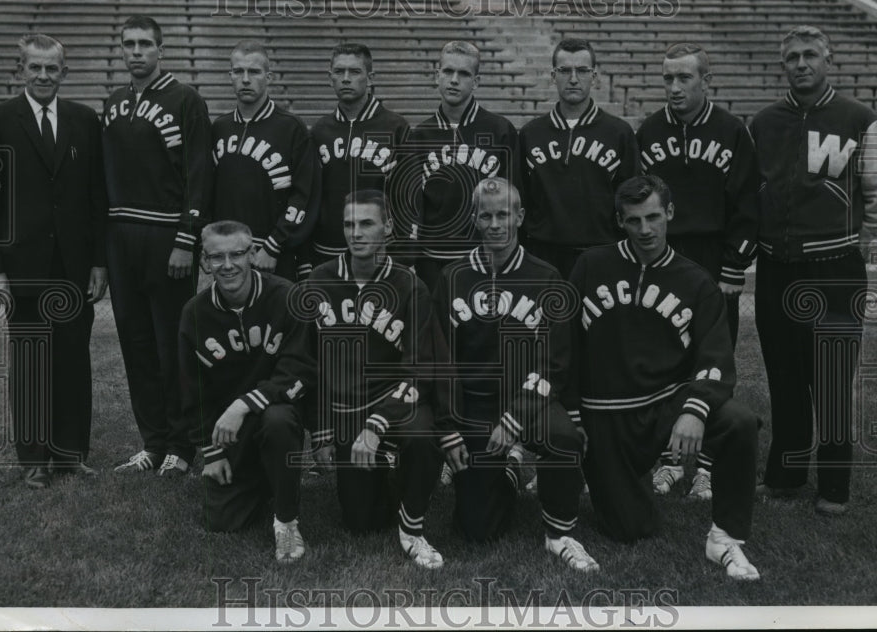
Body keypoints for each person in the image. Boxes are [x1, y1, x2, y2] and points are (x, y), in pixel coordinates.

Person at [570, 175, 760, 581]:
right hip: (606, 416)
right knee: (630, 530)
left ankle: (725, 538)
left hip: (665, 410)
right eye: (634, 220)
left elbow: (717, 358)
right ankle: (622, 485)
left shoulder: (695, 281)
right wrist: (571, 414)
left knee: (739, 422)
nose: (645, 230)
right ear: (620, 220)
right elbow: (563, 346)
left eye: (654, 217)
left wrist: (694, 409)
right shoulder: (590, 266)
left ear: (669, 213)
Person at [749, 26, 877, 516]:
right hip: (777, 266)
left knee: (833, 379)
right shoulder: (763, 123)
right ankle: (786, 476)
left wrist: (858, 240)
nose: (801, 64)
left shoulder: (858, 118)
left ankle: (835, 487)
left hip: (835, 267)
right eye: (792, 56)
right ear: (783, 65)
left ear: (828, 59)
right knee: (785, 377)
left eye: (810, 55)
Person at [432, 177, 598, 571]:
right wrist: (447, 425)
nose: (495, 224)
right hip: (475, 403)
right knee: (476, 531)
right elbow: (437, 359)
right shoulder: (451, 277)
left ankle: (560, 533)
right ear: (474, 219)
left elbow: (555, 361)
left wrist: (517, 415)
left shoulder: (545, 277)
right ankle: (506, 472)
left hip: (531, 399)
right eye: (486, 215)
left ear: (519, 216)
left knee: (563, 438)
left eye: (503, 214)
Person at [0, 33, 107, 488]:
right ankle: (33, 459)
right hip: (23, 266)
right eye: (36, 67)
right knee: (31, 361)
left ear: (64, 73)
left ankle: (70, 454)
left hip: (73, 266)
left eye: (53, 69)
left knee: (73, 360)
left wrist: (99, 263)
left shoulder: (85, 120)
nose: (45, 76)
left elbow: (96, 197)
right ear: (21, 70)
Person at [636, 43, 759, 501]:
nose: (674, 87)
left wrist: (734, 266)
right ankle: (669, 459)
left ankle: (708, 463)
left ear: (705, 80)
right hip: (665, 257)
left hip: (712, 257)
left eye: (684, 78)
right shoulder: (648, 131)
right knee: (665, 357)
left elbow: (748, 203)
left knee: (714, 359)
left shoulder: (731, 130)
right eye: (667, 78)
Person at [299, 192, 444, 567]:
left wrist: (379, 424)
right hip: (348, 409)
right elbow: (306, 363)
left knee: (422, 436)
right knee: (360, 522)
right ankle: (387, 472)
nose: (356, 233)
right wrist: (321, 430)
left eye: (366, 224)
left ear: (388, 228)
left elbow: (420, 368)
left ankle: (412, 527)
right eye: (349, 224)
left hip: (398, 402)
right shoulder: (319, 280)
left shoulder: (410, 286)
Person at [101, 15, 213, 476]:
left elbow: (199, 173)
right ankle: (152, 441)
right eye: (128, 43)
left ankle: (183, 445)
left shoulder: (185, 99)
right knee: (136, 342)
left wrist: (187, 239)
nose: (136, 51)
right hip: (122, 237)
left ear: (160, 49)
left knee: (173, 345)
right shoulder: (112, 103)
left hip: (168, 237)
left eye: (145, 43)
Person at [178, 221, 314, 562]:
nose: (227, 265)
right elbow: (191, 390)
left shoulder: (286, 296)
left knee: (279, 420)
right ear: (204, 262)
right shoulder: (194, 313)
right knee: (221, 521)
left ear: (252, 254)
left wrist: (242, 404)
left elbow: (300, 370)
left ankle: (286, 522)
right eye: (216, 257)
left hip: (275, 413)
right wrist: (211, 452)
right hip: (229, 433)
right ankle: (267, 479)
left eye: (237, 254)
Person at [396, 41, 521, 290]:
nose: (454, 80)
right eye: (448, 72)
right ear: (437, 76)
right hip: (432, 260)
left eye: (463, 74)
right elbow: (411, 203)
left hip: (485, 257)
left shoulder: (499, 130)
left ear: (476, 81)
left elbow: (514, 199)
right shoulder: (421, 134)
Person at [519, 38, 640, 279]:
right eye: (564, 71)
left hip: (601, 255)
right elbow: (521, 198)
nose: (573, 79)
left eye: (582, 71)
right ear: (553, 76)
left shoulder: (619, 133)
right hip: (542, 255)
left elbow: (631, 201)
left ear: (594, 77)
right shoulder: (531, 133)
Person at [211, 40, 318, 282]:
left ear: (268, 76)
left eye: (254, 72)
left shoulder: (291, 127)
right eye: (238, 71)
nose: (245, 79)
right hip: (227, 253)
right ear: (230, 75)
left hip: (273, 256)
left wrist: (273, 246)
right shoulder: (220, 127)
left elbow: (304, 195)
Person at [305, 43, 409, 274]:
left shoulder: (395, 127)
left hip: (378, 254)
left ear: (370, 78)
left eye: (354, 72)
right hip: (326, 251)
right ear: (329, 77)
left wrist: (403, 254)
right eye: (339, 71)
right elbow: (310, 196)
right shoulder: (319, 130)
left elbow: (406, 198)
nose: (345, 78)